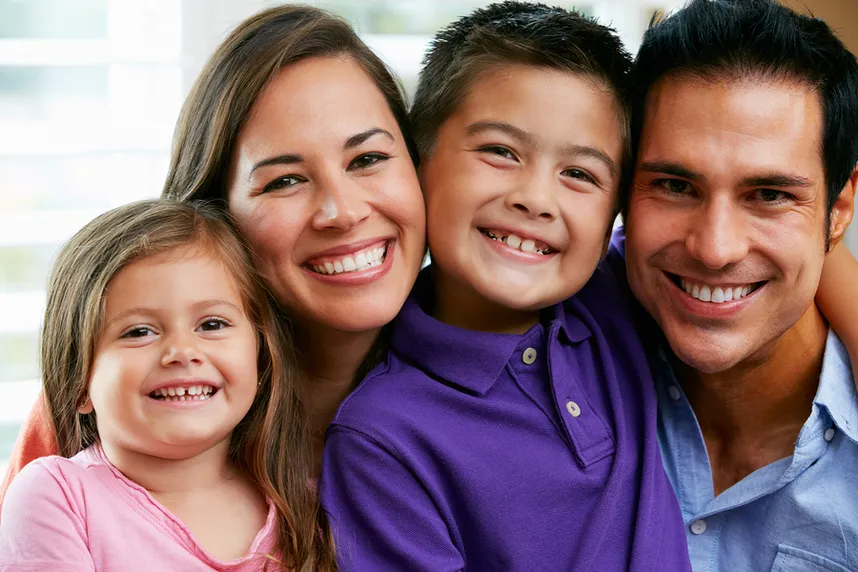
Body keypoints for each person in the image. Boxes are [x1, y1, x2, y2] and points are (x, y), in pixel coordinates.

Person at [0, 3, 427, 502]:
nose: (343, 211)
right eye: (284, 180)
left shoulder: (506, 382)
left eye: (368, 158)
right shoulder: (115, 397)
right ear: (213, 215)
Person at [319, 4, 691, 571]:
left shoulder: (613, 295)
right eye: (500, 151)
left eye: (580, 175)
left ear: (616, 211)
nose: (537, 200)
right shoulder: (380, 441)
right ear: (419, 163)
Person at [621, 0, 858, 569]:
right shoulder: (566, 347)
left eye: (770, 195)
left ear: (839, 209)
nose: (715, 247)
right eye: (675, 185)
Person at [0, 200, 336, 571]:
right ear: (79, 382)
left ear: (259, 355)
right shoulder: (57, 496)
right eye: (139, 332)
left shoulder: (302, 504)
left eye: (212, 324)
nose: (182, 352)